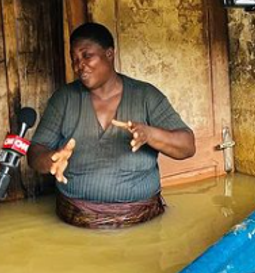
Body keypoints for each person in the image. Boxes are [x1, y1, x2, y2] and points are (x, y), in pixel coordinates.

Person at [27, 22, 195, 228]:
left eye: (87, 55)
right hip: (75, 222)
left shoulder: (145, 96)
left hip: (142, 223)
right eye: (75, 59)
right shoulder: (64, 99)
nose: (80, 65)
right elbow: (35, 153)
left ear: (109, 54)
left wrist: (150, 135)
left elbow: (187, 147)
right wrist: (50, 160)